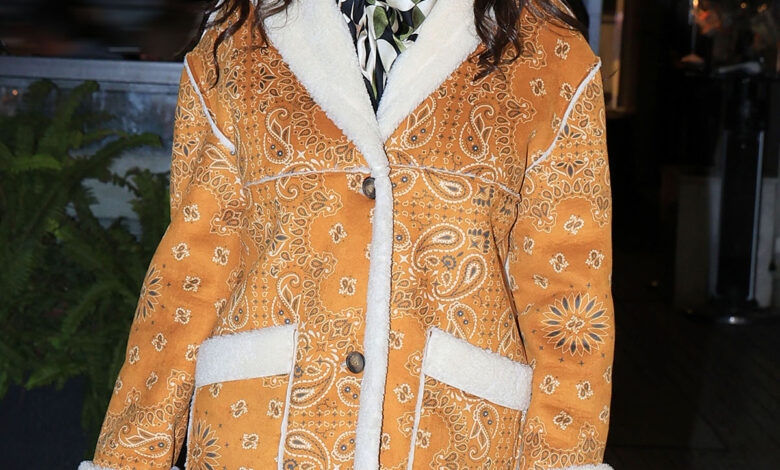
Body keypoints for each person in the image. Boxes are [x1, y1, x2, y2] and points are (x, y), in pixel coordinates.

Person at [79, 0, 615, 468]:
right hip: (260, 432)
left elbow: (569, 306)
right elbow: (188, 277)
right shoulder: (241, 38)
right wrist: (128, 458)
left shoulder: (549, 55)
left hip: (450, 437)